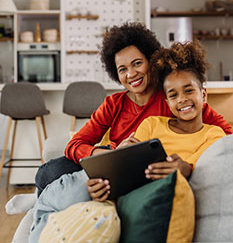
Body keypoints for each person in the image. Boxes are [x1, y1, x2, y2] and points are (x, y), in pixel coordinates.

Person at [36, 22, 232, 196]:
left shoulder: (173, 98)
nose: (131, 74)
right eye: (123, 69)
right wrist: (106, 156)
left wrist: (189, 164)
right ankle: (58, 195)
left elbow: (227, 136)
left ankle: (66, 193)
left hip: (148, 167)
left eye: (137, 63)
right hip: (112, 159)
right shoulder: (113, 104)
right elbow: (75, 144)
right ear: (116, 74)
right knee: (48, 172)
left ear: (150, 62)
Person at [87, 40, 226, 201]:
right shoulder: (151, 124)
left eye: (188, 91)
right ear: (167, 102)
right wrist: (104, 182)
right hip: (136, 196)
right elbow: (128, 169)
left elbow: (198, 166)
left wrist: (186, 168)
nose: (182, 99)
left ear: (203, 95)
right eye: (173, 95)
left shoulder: (215, 135)